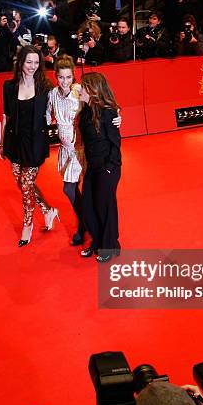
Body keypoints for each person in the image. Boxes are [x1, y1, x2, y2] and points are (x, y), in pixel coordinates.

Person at [47, 56, 122, 246]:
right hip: (66, 149)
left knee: (93, 193)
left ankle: (85, 228)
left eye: (69, 77)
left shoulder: (79, 90)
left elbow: (104, 101)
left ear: (74, 77)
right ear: (56, 77)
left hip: (84, 149)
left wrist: (118, 116)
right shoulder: (52, 95)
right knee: (71, 190)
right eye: (61, 77)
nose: (65, 82)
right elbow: (47, 117)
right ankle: (87, 224)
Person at [0, 45, 59, 247]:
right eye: (29, 62)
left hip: (35, 143)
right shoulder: (9, 86)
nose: (32, 66)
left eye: (36, 62)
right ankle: (48, 210)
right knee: (22, 183)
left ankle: (28, 224)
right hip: (14, 142)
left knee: (26, 185)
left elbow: (63, 99)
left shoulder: (45, 86)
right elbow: (6, 115)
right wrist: (1, 142)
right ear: (20, 63)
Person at [79, 72, 122, 263]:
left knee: (105, 206)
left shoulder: (108, 112)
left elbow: (115, 142)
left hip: (107, 166)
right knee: (88, 205)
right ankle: (98, 241)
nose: (80, 89)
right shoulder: (86, 111)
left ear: (92, 90)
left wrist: (110, 167)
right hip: (92, 166)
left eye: (83, 87)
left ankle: (110, 246)